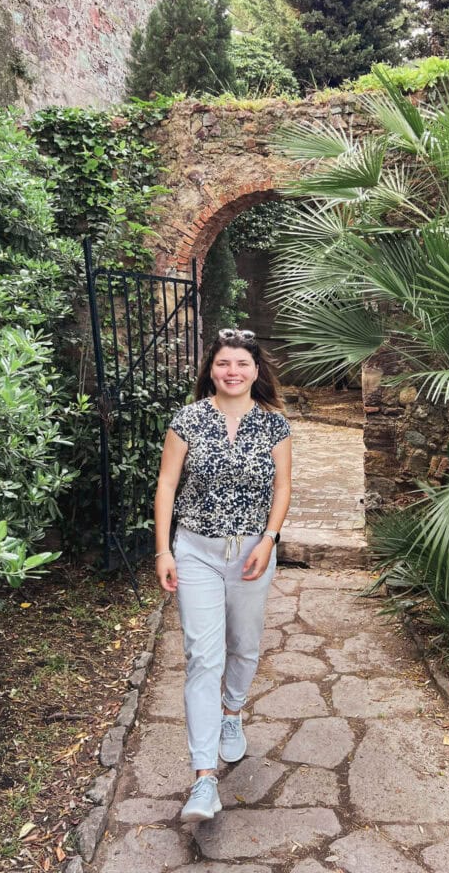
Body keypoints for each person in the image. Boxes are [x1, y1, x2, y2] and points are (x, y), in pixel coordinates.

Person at [153, 327, 292, 823]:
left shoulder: (274, 425)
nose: (232, 372)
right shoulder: (188, 419)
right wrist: (163, 551)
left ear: (256, 371)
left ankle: (232, 713)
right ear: (210, 370)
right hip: (195, 551)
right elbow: (167, 485)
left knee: (245, 645)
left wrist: (270, 539)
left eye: (241, 364)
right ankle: (203, 778)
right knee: (201, 657)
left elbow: (282, 488)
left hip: (252, 552)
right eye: (223, 364)